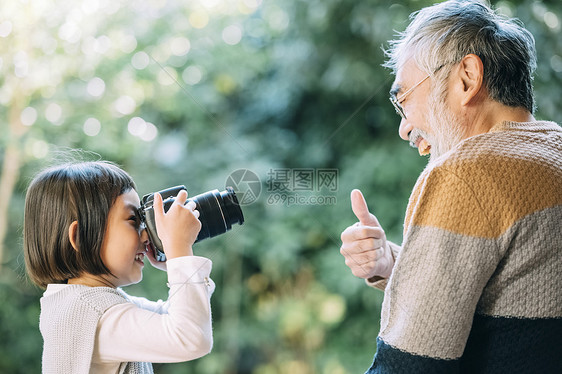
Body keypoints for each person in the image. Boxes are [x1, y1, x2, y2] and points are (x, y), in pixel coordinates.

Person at [339, 1, 562, 373]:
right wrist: (395, 265)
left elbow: (409, 366)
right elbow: (519, 311)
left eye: (405, 98)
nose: (405, 127)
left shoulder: (468, 172)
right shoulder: (551, 152)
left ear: (466, 79)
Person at [23, 160, 215, 374]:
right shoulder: (94, 315)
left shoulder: (87, 304)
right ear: (81, 237)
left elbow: (174, 316)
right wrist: (179, 250)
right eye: (133, 220)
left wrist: (175, 261)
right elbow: (191, 336)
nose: (145, 234)